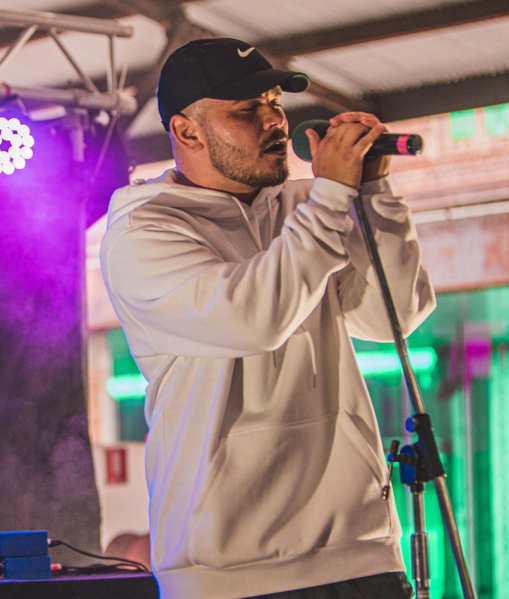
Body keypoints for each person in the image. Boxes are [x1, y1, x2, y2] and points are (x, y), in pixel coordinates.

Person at [99, 38, 436, 598]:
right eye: (246, 110)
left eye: (275, 103)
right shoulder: (144, 233)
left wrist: (375, 193)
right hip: (233, 570)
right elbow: (254, 318)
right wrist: (331, 198)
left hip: (359, 549)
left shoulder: (310, 208)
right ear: (187, 132)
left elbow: (393, 319)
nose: (274, 121)